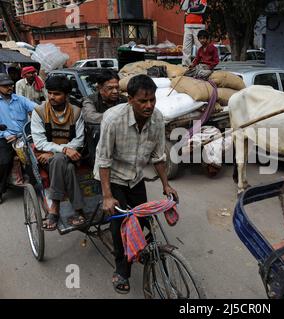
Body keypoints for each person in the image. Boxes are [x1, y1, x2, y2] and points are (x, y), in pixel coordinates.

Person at [95, 74, 179, 294]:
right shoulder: (113, 119)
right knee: (120, 226)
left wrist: (166, 185)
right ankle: (122, 271)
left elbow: (158, 157)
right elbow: (103, 160)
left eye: (152, 100)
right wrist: (106, 196)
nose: (149, 105)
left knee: (143, 218)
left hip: (136, 177)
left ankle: (140, 249)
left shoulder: (158, 119)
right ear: (130, 99)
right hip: (112, 177)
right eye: (143, 101)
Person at [31, 75, 86, 230]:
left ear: (67, 95)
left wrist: (63, 152)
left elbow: (79, 140)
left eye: (57, 94)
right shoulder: (39, 111)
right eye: (50, 93)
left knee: (62, 162)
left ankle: (54, 208)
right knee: (61, 161)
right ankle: (78, 210)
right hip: (46, 157)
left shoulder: (76, 112)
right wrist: (64, 150)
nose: (52, 97)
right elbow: (40, 142)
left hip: (65, 157)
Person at [0, 73, 36, 204]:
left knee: (35, 157)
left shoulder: (20, 99)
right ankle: (1, 190)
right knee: (4, 161)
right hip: (5, 137)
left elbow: (37, 108)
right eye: (5, 86)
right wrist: (5, 134)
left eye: (10, 85)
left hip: (23, 136)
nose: (9, 87)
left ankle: (34, 184)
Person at [81, 70, 127, 166]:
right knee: (97, 128)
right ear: (100, 88)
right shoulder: (90, 100)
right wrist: (116, 117)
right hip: (98, 142)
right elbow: (90, 117)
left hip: (121, 139)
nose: (115, 91)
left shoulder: (123, 100)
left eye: (116, 87)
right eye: (110, 88)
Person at [180, 0, 207, 67]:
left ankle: (203, 64)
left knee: (200, 47)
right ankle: (186, 65)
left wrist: (189, 10)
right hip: (188, 25)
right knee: (186, 47)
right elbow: (183, 7)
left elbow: (202, 9)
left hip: (199, 26)